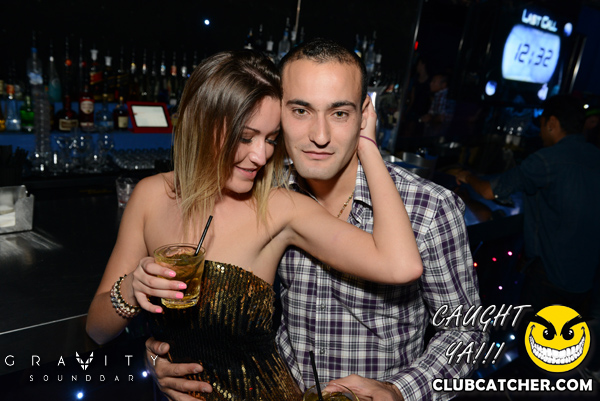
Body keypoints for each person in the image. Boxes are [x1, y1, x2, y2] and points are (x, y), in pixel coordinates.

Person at [147, 39, 486, 401]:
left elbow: (468, 333)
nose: (319, 136)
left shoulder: (428, 207)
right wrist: (160, 357)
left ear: (364, 115)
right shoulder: (262, 190)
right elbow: (210, 304)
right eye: (301, 111)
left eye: (339, 113)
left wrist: (399, 391)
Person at [86, 49, 423, 400]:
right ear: (202, 124)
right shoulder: (150, 196)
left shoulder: (279, 207)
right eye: (246, 137)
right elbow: (97, 330)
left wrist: (367, 146)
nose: (261, 156)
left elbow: (401, 265)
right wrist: (133, 290)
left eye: (271, 138)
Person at [455, 94, 600, 316]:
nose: (540, 132)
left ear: (552, 123)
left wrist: (465, 176)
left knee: (537, 335)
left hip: (550, 276)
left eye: (541, 124)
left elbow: (489, 190)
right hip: (586, 279)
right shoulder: (595, 155)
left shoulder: (546, 160)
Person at [420, 73, 454, 137]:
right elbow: (432, 112)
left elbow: (441, 118)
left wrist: (430, 118)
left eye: (434, 82)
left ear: (443, 85)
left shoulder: (443, 96)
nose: (431, 84)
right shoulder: (437, 95)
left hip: (442, 134)